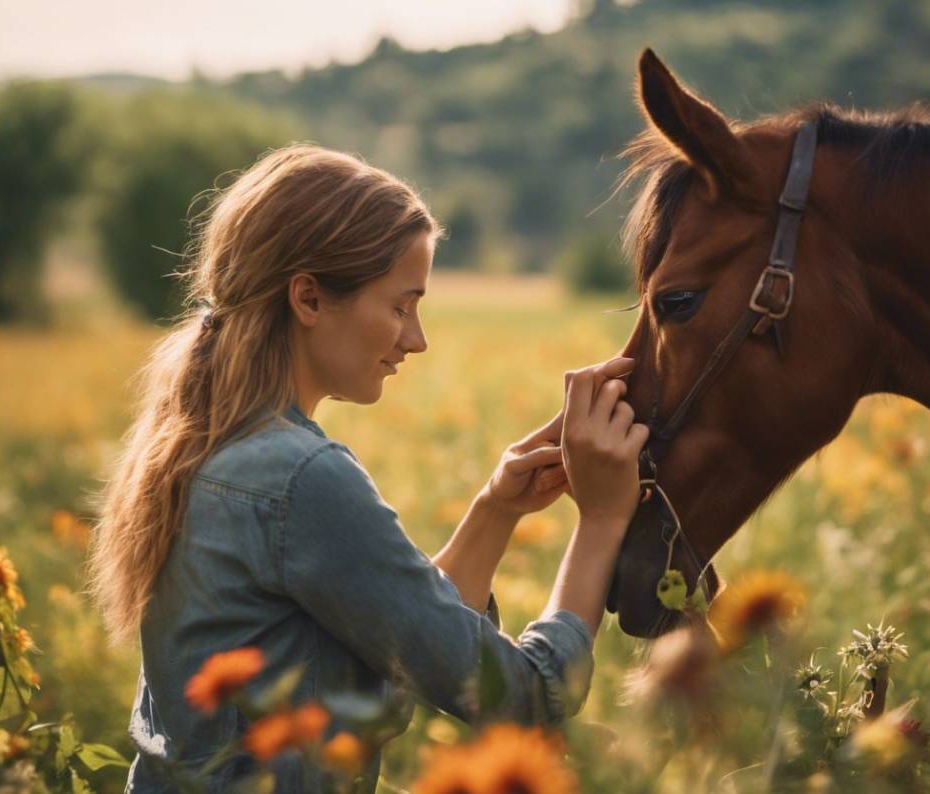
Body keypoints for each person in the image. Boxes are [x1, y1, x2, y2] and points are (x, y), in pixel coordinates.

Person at [88, 144, 650, 793]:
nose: (416, 339)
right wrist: (604, 519)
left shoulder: (205, 446)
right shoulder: (301, 477)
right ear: (308, 298)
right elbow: (523, 698)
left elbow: (403, 643)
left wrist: (496, 509)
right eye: (400, 305)